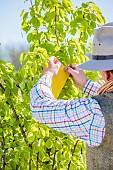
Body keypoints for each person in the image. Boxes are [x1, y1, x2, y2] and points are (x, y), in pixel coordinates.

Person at [30, 22, 113, 170]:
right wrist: (86, 84)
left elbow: (39, 106)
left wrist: (48, 74)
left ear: (106, 75)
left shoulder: (93, 113)